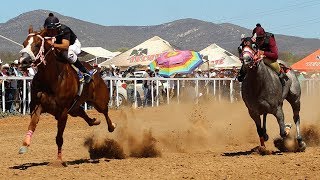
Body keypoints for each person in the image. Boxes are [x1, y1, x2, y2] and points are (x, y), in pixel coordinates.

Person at [43, 13, 93, 83]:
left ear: (57, 28)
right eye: (48, 30)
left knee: (67, 54)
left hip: (73, 45)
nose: (50, 32)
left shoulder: (64, 30)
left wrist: (53, 45)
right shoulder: (47, 31)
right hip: (59, 46)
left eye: (52, 30)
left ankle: (85, 72)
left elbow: (65, 46)